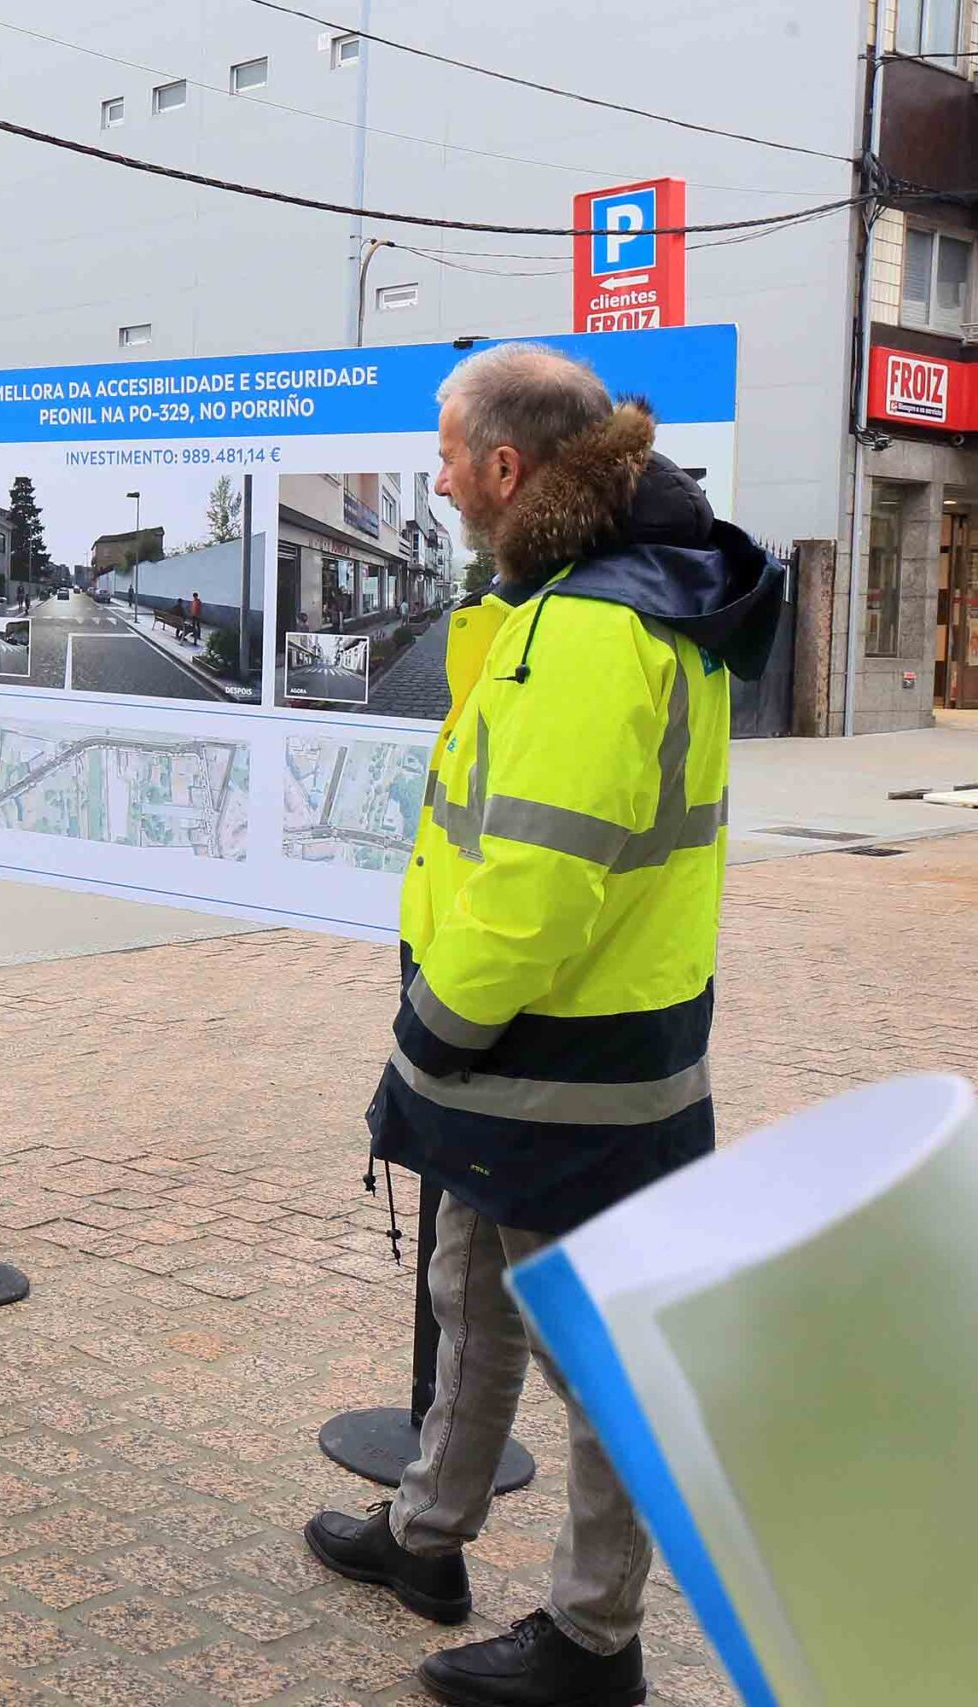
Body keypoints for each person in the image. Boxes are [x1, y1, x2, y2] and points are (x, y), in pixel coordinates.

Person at [303, 345, 781, 1707]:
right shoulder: (583, 596)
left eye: (448, 457)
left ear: (506, 467)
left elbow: (537, 881)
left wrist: (432, 1029)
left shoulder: (591, 627)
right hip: (541, 1041)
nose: (440, 481)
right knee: (468, 1291)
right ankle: (425, 1535)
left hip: (557, 1050)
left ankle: (592, 1639)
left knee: (594, 1355)